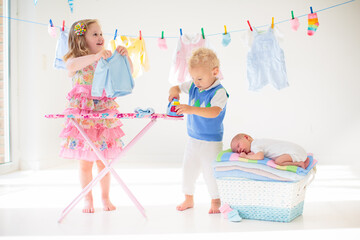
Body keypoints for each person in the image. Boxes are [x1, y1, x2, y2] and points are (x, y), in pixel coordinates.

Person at [60, 19, 133, 213]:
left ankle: (105, 197)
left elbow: (126, 75)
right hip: (84, 117)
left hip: (103, 116)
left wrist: (126, 58)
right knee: (85, 164)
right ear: (81, 39)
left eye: (101, 33)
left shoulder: (105, 58)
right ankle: (87, 199)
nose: (101, 37)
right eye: (95, 34)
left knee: (104, 162)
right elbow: (71, 65)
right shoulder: (74, 60)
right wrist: (97, 56)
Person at [168, 48, 229, 214]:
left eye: (199, 78)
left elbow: (214, 111)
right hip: (193, 139)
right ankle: (188, 198)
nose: (195, 82)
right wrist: (174, 94)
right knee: (188, 169)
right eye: (193, 78)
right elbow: (176, 87)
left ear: (214, 72)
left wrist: (191, 109)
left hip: (211, 141)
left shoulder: (219, 92)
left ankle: (216, 201)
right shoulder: (195, 86)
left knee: (211, 172)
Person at [231, 133, 309, 169]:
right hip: (298, 150)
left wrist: (246, 156)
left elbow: (259, 156)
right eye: (236, 151)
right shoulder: (259, 142)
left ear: (246, 138)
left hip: (295, 153)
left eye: (238, 145)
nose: (239, 150)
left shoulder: (254, 145)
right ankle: (301, 160)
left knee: (278, 162)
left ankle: (299, 163)